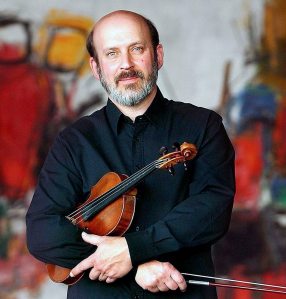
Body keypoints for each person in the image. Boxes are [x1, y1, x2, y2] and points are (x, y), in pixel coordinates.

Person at [26, 10, 235, 299]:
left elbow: (212, 210)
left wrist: (133, 249)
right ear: (96, 67)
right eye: (111, 54)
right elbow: (42, 232)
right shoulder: (74, 141)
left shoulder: (203, 126)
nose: (126, 64)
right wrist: (136, 263)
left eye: (137, 49)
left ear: (158, 55)